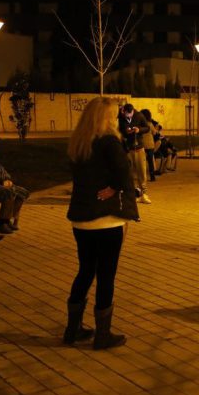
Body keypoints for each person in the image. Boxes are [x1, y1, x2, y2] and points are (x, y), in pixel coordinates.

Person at [64, 96, 139, 350]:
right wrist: (115, 188)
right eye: (114, 115)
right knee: (106, 275)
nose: (117, 119)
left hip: (81, 220)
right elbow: (125, 171)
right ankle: (102, 334)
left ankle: (72, 330)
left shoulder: (79, 142)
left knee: (85, 271)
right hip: (105, 220)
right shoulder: (109, 141)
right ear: (105, 117)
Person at [119, 103, 151, 204]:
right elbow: (120, 129)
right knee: (130, 172)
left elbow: (147, 128)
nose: (128, 116)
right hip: (129, 149)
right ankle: (133, 193)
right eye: (126, 114)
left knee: (141, 171)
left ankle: (144, 194)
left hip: (139, 148)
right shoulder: (122, 117)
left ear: (133, 111)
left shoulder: (139, 115)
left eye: (130, 113)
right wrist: (126, 131)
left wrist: (139, 130)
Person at [139, 109, 157, 182]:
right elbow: (154, 133)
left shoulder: (140, 124)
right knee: (150, 161)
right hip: (150, 145)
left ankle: (143, 177)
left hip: (142, 145)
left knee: (142, 162)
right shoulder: (150, 124)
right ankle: (152, 176)